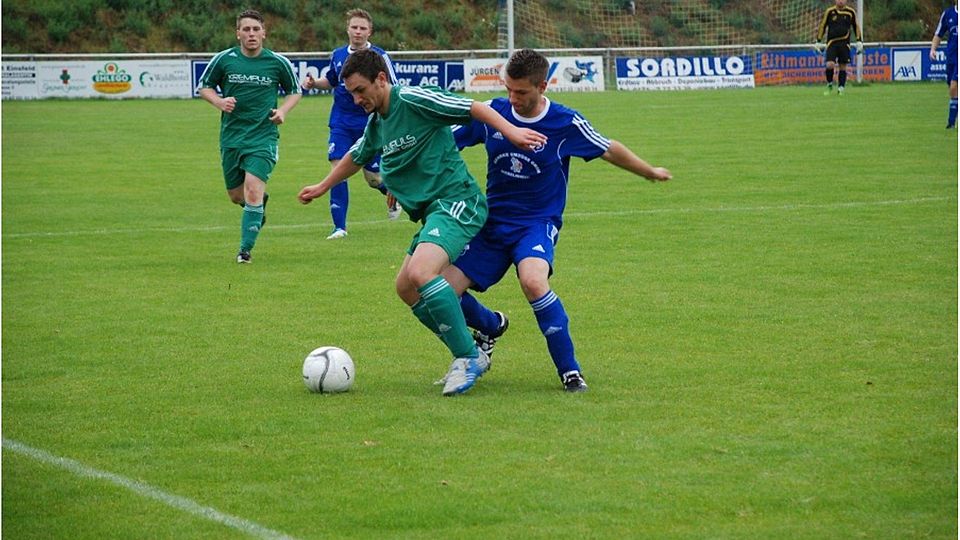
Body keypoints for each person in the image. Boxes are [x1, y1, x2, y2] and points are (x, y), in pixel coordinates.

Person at [297, 49, 547, 396]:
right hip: (433, 212)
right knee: (406, 288)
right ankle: (480, 337)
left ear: (381, 80)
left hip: (459, 201)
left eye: (360, 90)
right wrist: (324, 186)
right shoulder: (377, 123)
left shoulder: (413, 99)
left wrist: (514, 132)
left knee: (422, 273)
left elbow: (473, 108)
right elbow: (358, 156)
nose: (356, 99)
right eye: (351, 93)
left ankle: (467, 357)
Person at [442, 48, 671, 392]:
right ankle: (490, 325)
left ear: (543, 86)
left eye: (521, 92)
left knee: (534, 281)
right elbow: (447, 142)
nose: (512, 98)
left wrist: (648, 171)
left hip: (537, 222)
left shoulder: (565, 123)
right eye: (508, 89)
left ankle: (570, 372)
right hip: (492, 222)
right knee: (440, 292)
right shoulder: (494, 113)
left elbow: (608, 148)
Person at [198, 9, 302, 263]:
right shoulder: (224, 59)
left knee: (252, 189)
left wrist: (283, 112)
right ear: (238, 34)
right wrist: (220, 102)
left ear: (264, 33)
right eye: (246, 29)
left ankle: (245, 251)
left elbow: (295, 91)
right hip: (232, 138)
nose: (251, 34)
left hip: (263, 137)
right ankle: (258, 206)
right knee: (237, 196)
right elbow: (204, 87)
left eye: (256, 29)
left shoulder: (277, 62)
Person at [302, 8, 401, 240]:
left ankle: (394, 196)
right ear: (348, 29)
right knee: (338, 170)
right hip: (341, 122)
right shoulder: (337, 55)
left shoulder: (379, 56)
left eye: (362, 28)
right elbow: (332, 80)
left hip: (371, 123)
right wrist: (314, 82)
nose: (358, 32)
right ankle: (339, 228)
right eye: (354, 27)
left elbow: (393, 87)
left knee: (374, 178)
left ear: (370, 32)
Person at [814, 0, 863, 96]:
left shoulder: (850, 12)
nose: (840, 1)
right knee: (829, 64)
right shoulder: (830, 11)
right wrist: (818, 41)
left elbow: (856, 27)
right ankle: (829, 84)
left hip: (845, 44)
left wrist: (859, 41)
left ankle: (841, 88)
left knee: (843, 66)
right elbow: (823, 25)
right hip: (832, 43)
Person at [930, 0, 958, 129]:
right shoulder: (948, 14)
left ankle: (951, 122)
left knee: (954, 87)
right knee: (952, 90)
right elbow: (938, 34)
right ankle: (952, 123)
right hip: (951, 58)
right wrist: (933, 49)